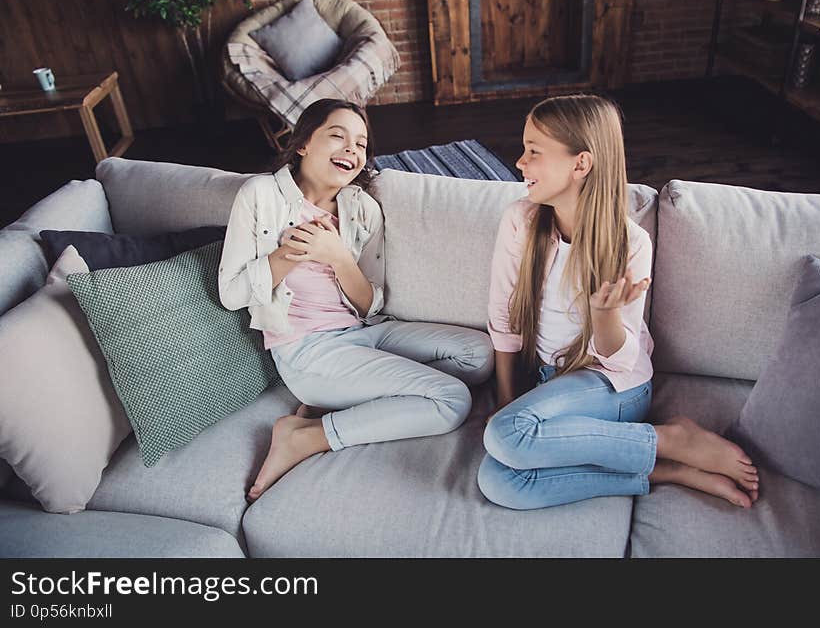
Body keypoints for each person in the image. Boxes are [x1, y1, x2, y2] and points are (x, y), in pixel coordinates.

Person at [478, 94, 759, 510]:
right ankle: (666, 468)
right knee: (498, 480)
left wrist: (604, 315)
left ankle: (669, 439)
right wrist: (506, 401)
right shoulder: (520, 220)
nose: (519, 162)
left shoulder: (630, 244)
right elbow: (504, 318)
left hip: (611, 385)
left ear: (581, 163)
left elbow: (620, 360)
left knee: (505, 436)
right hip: (545, 383)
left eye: (534, 152)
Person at [219, 98, 493, 502]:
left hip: (365, 331)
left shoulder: (363, 208)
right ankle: (306, 437)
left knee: (480, 354)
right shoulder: (260, 195)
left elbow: (370, 306)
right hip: (308, 351)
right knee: (452, 400)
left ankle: (341, 399)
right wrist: (286, 254)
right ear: (303, 144)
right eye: (337, 136)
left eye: (361, 144)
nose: (352, 149)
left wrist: (338, 256)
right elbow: (231, 294)